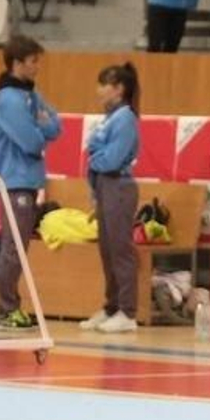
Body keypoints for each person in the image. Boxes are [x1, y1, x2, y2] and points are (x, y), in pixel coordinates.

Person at [0, 35, 60, 329]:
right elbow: (31, 141)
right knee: (13, 246)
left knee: (19, 247)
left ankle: (9, 306)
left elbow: (55, 125)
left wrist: (41, 125)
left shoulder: (30, 94)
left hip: (29, 180)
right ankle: (5, 309)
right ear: (17, 63)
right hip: (14, 179)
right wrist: (39, 126)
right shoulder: (8, 98)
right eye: (33, 61)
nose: (38, 67)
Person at [82, 63, 140, 335]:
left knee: (120, 250)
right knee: (106, 250)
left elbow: (111, 158)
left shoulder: (125, 118)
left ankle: (128, 311)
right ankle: (112, 305)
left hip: (119, 185)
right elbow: (94, 150)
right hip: (105, 186)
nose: (98, 90)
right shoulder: (109, 118)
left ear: (119, 89)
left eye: (104, 84)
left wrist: (95, 156)